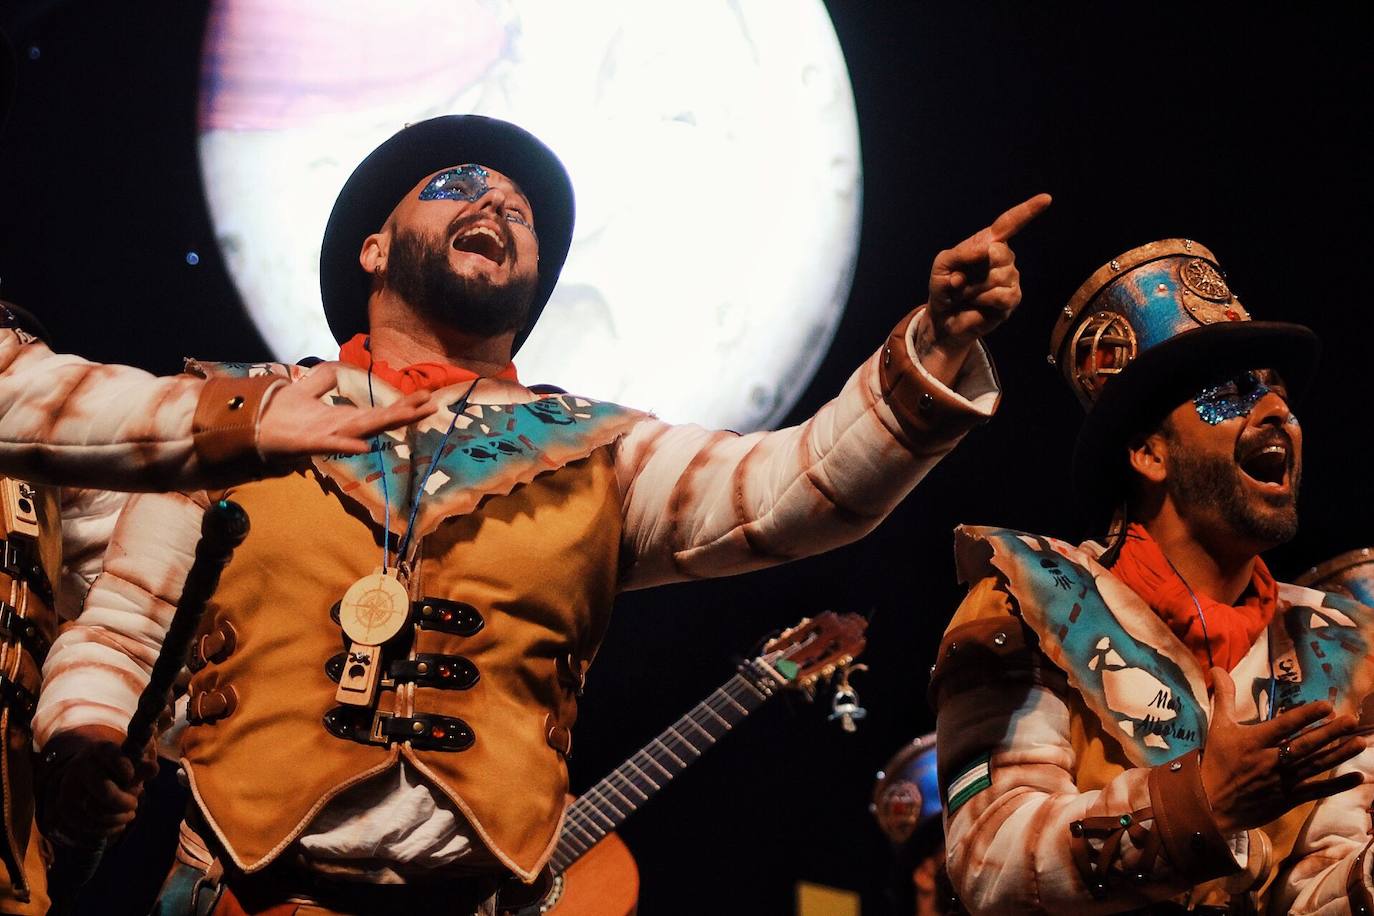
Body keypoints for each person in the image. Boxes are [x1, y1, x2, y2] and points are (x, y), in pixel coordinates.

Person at [37, 115, 1046, 915]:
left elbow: (793, 489)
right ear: (375, 250)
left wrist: (932, 348)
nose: (497, 203)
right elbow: (123, 625)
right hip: (239, 898)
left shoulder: (597, 449)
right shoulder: (234, 411)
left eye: (520, 209)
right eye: (457, 187)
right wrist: (83, 741)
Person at [932, 238, 1374, 913]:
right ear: (1147, 452)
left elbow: (1317, 884)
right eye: (1230, 395)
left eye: (1278, 391)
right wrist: (1201, 805)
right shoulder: (1024, 596)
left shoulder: (1341, 646)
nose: (1276, 410)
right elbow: (989, 861)